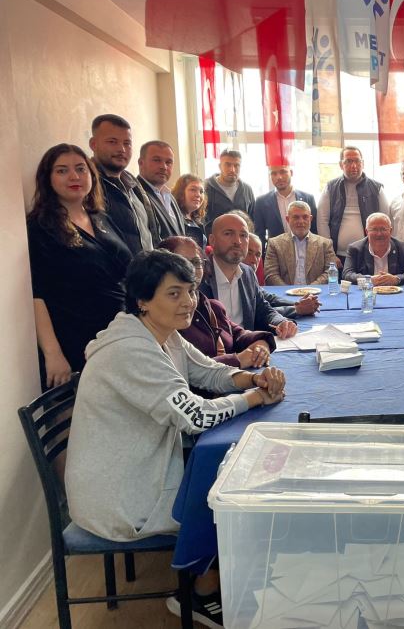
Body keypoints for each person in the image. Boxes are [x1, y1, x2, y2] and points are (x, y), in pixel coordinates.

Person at [64, 249, 285, 628]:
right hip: (119, 495)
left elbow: (210, 372)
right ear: (142, 300)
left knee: (231, 474)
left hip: (142, 466)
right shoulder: (131, 350)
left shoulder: (161, 334)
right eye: (174, 293)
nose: (188, 302)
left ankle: (219, 578)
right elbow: (196, 416)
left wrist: (254, 378)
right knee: (230, 494)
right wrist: (254, 398)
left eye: (191, 290)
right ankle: (199, 592)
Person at [26, 143, 132, 388]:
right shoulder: (41, 227)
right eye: (62, 170)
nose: (74, 176)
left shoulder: (101, 218)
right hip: (77, 341)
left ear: (91, 174)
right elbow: (37, 295)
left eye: (81, 169)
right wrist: (53, 353)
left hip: (119, 335)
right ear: (48, 178)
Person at [159, 236, 275, 368]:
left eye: (196, 262)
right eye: (182, 263)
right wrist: (237, 360)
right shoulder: (167, 316)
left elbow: (237, 334)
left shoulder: (212, 306)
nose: (191, 269)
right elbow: (187, 368)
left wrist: (261, 343)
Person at [199, 213, 299, 337]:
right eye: (228, 233)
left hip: (247, 344)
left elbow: (262, 309)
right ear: (212, 240)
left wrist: (281, 322)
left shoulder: (248, 273)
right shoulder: (199, 276)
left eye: (243, 235)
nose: (237, 241)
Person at [89, 113, 158, 255]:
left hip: (146, 268)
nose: (122, 149)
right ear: (93, 144)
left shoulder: (133, 183)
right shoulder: (88, 186)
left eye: (127, 143)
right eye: (112, 142)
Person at [317, 146, 390, 261]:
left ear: (363, 164)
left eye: (357, 161)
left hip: (369, 255)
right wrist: (329, 253)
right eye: (349, 161)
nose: (354, 166)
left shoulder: (377, 188)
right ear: (341, 165)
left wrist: (381, 251)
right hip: (337, 256)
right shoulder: (330, 188)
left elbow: (386, 222)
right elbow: (322, 221)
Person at [264, 201, 337, 285]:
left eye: (305, 217)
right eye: (296, 217)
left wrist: (310, 289)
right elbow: (271, 274)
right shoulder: (274, 244)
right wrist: (288, 291)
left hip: (316, 291)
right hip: (284, 292)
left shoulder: (325, 244)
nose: (301, 221)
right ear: (288, 219)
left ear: (310, 219)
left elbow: (330, 271)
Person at [253, 164, 318, 251]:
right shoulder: (262, 202)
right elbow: (259, 234)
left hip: (305, 252)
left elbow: (314, 230)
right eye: (274, 173)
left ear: (291, 172)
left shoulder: (308, 198)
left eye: (283, 172)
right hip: (276, 254)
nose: (279, 177)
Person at [342, 212, 404, 285]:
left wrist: (396, 279)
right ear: (367, 231)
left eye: (383, 229)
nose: (379, 234)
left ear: (390, 231)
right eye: (374, 229)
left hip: (395, 291)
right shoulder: (355, 249)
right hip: (367, 291)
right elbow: (347, 274)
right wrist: (369, 280)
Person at [136, 140, 184, 241]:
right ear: (141, 163)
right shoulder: (135, 193)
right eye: (156, 160)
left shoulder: (170, 196)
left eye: (168, 162)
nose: (163, 167)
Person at [204, 149, 255, 233]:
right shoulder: (205, 187)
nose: (232, 169)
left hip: (241, 239)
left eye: (236, 165)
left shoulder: (247, 190)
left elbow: (252, 220)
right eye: (227, 165)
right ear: (220, 166)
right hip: (214, 239)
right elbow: (199, 218)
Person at [171, 173, 207, 249]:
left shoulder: (198, 221)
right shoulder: (173, 218)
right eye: (193, 190)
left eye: (201, 191)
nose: (198, 195)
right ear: (180, 192)